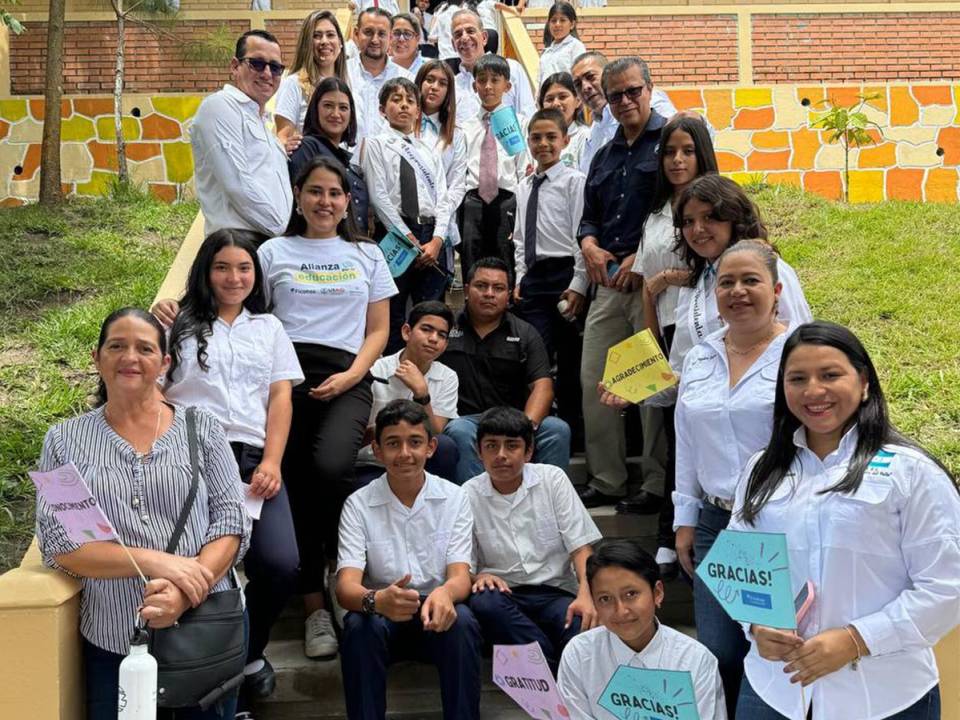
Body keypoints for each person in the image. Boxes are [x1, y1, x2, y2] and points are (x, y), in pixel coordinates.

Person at [730, 321, 960, 720]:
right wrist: (754, 625)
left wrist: (857, 639)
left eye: (830, 374)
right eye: (797, 378)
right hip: (774, 690)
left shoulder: (911, 472)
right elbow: (740, 567)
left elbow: (947, 586)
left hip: (884, 695)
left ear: (864, 382)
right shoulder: (760, 471)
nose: (813, 391)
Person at [35, 308, 251, 720]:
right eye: (116, 346)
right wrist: (158, 563)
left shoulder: (201, 426)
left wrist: (187, 589)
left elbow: (231, 524)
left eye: (144, 348)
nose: (129, 357)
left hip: (204, 632)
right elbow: (66, 544)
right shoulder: (64, 441)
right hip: (115, 641)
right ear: (96, 358)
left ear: (164, 363)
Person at [258, 156, 396, 660]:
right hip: (284, 379)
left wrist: (353, 375)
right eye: (315, 191)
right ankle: (315, 606)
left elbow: (378, 329)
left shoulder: (367, 254)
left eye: (334, 193)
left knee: (333, 465)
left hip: (348, 374)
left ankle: (344, 578)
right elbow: (256, 320)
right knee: (293, 482)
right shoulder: (273, 252)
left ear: (347, 201)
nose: (325, 201)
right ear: (298, 196)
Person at [160, 230, 302, 709]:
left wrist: (273, 461)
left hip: (251, 460)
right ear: (206, 270)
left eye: (244, 268)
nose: (234, 277)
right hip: (190, 455)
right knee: (203, 570)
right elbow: (155, 392)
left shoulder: (269, 329)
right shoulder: (176, 325)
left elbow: (280, 397)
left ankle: (246, 653)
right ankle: (207, 675)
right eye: (223, 266)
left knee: (280, 564)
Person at [673, 240, 809, 717]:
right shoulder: (701, 357)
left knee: (781, 652)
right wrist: (684, 519)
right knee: (720, 651)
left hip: (783, 525)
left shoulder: (800, 356)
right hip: (717, 526)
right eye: (726, 282)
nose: (737, 291)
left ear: (775, 290)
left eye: (750, 280)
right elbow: (686, 441)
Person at [613, 116, 718, 572]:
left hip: (711, 331)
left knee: (691, 438)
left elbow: (724, 262)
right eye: (669, 152)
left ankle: (674, 535)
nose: (677, 160)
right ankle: (671, 532)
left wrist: (675, 277)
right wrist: (650, 337)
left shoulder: (715, 205)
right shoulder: (657, 211)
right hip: (668, 330)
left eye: (687, 151)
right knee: (672, 437)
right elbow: (648, 284)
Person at [336, 400, 482, 720]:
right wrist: (376, 599)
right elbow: (346, 588)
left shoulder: (454, 497)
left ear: (430, 447)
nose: (404, 453)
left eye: (414, 442)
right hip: (383, 613)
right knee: (359, 625)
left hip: (434, 610)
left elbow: (460, 575)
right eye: (393, 444)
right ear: (377, 451)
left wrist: (445, 593)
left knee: (464, 621)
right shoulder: (358, 505)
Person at [576, 56, 668, 511]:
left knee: (650, 383)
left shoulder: (671, 142)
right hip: (608, 285)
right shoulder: (605, 153)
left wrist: (643, 256)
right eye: (616, 95)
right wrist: (589, 244)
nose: (625, 101)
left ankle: (654, 482)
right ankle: (607, 478)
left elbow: (681, 205)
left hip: (652, 286)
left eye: (633, 91)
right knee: (594, 376)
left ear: (650, 88)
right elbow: (589, 215)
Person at [465, 407, 601, 673]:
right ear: (479, 453)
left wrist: (586, 594)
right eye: (491, 446)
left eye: (512, 446)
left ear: (528, 452)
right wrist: (477, 578)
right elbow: (462, 565)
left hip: (554, 591)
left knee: (579, 621)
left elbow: (581, 547)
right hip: (505, 596)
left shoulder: (552, 479)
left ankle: (544, 677)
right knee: (484, 602)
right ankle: (552, 675)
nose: (501, 455)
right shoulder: (467, 494)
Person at [557, 539, 727, 720]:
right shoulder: (579, 654)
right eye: (605, 599)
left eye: (631, 594)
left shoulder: (695, 660)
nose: (621, 610)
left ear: (657, 593)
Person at [441, 257, 571, 484]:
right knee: (460, 430)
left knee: (556, 429)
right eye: (481, 286)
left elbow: (543, 386)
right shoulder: (445, 328)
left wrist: (525, 427)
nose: (489, 293)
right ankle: (475, 513)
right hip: (466, 421)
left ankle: (547, 508)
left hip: (516, 419)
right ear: (467, 290)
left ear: (509, 294)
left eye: (498, 288)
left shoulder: (525, 332)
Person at [667, 174, 812, 374]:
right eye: (688, 221)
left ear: (733, 218)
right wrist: (633, 390)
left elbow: (801, 340)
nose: (697, 229)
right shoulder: (695, 286)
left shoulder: (772, 270)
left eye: (709, 217)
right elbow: (682, 371)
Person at [511, 108, 587, 450]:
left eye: (550, 137)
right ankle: (538, 427)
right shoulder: (524, 186)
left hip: (565, 275)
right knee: (535, 355)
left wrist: (578, 283)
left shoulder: (574, 182)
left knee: (570, 359)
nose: (543, 144)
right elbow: (518, 238)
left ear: (565, 140)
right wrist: (520, 277)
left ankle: (574, 434)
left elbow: (580, 236)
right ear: (528, 142)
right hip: (534, 279)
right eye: (536, 138)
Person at [363, 77, 453, 353]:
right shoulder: (375, 144)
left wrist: (437, 240)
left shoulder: (429, 149)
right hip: (395, 236)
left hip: (430, 237)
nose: (403, 105)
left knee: (430, 312)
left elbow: (444, 199)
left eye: (410, 101)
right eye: (396, 99)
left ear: (418, 110)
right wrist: (407, 237)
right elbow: (379, 197)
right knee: (392, 312)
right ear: (382, 109)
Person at [190, 30, 292, 241]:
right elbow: (238, 185)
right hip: (236, 245)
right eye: (257, 63)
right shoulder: (219, 107)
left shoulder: (264, 124)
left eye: (275, 67)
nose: (267, 74)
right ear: (235, 66)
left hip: (267, 243)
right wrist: (281, 229)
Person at [357, 301, 462, 483]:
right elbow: (357, 435)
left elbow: (436, 432)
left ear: (445, 344)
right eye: (426, 330)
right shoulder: (374, 369)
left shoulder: (448, 376)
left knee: (445, 446)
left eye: (441, 335)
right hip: (375, 460)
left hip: (419, 460)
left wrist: (422, 393)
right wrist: (397, 431)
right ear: (407, 332)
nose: (433, 339)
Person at [458, 52, 531, 279]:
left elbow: (524, 169)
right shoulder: (464, 128)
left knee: (505, 260)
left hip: (506, 200)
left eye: (495, 80)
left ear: (507, 85)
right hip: (473, 202)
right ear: (474, 86)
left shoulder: (520, 123)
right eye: (482, 80)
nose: (488, 86)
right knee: (472, 262)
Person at [288, 76, 370, 236]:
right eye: (328, 106)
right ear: (315, 109)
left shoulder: (347, 161)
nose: (336, 114)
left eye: (343, 108)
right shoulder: (306, 148)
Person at [570, 51, 676, 174]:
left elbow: (680, 129)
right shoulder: (594, 132)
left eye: (591, 77)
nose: (585, 87)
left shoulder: (646, 99)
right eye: (578, 84)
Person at [416, 59, 468, 262]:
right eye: (429, 80)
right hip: (404, 226)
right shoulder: (401, 127)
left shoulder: (456, 135)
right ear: (419, 82)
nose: (434, 87)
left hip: (439, 224)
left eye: (442, 83)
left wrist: (438, 232)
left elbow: (457, 185)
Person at [274, 10, 348, 146]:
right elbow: (282, 139)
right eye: (317, 36)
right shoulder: (293, 84)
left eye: (330, 35)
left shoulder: (349, 85)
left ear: (340, 43)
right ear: (306, 44)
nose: (324, 41)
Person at [451, 9, 537, 124]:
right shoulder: (453, 86)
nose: (465, 38)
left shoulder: (511, 69)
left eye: (470, 31)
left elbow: (528, 117)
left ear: (484, 37)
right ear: (453, 44)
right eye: (458, 34)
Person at [349, 8, 414, 144]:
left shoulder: (407, 79)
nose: (375, 40)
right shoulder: (342, 74)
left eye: (382, 34)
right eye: (368, 32)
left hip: (392, 161)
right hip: (345, 161)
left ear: (390, 38)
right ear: (356, 33)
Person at [538, 72, 589, 169]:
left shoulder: (585, 137)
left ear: (578, 101)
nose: (556, 103)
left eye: (562, 97)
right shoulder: (536, 139)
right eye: (549, 99)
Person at [537, 2, 586, 90]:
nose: (557, 24)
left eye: (562, 20)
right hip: (547, 100)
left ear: (572, 24)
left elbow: (580, 76)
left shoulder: (576, 46)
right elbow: (539, 82)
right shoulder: (546, 52)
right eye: (553, 20)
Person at [390, 12, 427, 76]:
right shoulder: (380, 67)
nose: (401, 39)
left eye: (407, 34)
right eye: (396, 33)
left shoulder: (428, 68)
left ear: (417, 38)